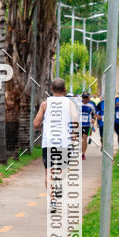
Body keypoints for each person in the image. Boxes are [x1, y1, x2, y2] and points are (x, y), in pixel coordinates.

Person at [33, 77, 79, 212]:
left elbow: (36, 124)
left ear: (51, 89)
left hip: (48, 142)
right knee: (61, 172)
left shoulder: (45, 104)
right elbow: (75, 120)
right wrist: (74, 136)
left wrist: (45, 125)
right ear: (65, 90)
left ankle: (52, 200)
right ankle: (57, 192)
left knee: (48, 172)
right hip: (64, 143)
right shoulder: (70, 104)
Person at [80, 91, 96, 159]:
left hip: (87, 124)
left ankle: (83, 153)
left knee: (84, 138)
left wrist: (93, 119)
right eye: (84, 97)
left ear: (88, 98)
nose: (85, 99)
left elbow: (94, 114)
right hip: (79, 124)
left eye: (86, 97)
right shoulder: (78, 104)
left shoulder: (91, 105)